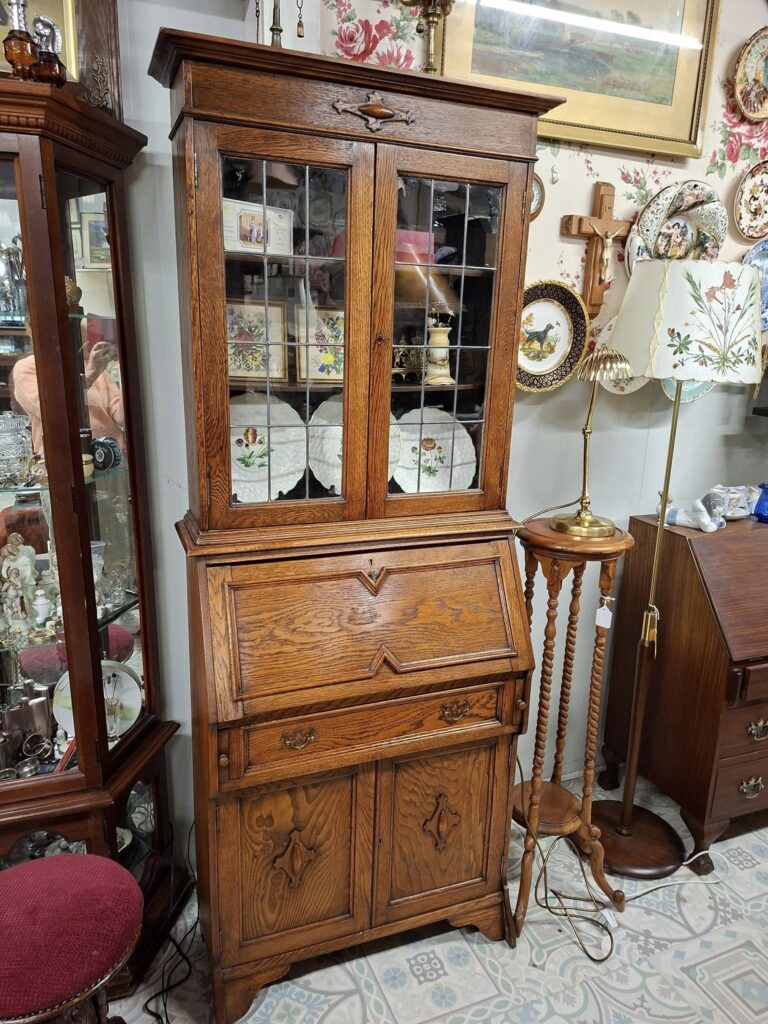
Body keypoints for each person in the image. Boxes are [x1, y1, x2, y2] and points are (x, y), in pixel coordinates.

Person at [11, 319, 125, 456]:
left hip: (112, 454)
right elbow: (52, 411)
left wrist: (125, 368)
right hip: (66, 457)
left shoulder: (92, 364)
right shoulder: (27, 367)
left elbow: (120, 418)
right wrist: (89, 376)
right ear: (33, 331)